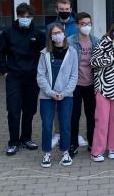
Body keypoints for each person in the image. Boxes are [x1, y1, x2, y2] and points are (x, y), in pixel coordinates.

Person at [0, 3, 46, 156]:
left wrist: (39, 73)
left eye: (28, 16)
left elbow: (43, 55)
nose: (25, 19)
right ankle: (13, 142)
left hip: (32, 78)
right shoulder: (7, 33)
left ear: (32, 17)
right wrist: (5, 71)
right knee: (13, 110)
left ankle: (26, 138)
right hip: (14, 77)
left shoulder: (38, 34)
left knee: (30, 110)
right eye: (22, 16)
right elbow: (0, 53)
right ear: (17, 16)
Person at [36, 23, 79, 168]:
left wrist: (65, 92)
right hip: (47, 96)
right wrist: (51, 93)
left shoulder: (72, 52)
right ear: (50, 36)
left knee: (65, 125)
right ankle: (47, 153)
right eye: (54, 33)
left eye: (59, 32)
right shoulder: (44, 53)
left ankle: (65, 152)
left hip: (66, 95)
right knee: (47, 125)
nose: (57, 35)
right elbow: (40, 76)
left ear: (64, 34)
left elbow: (74, 75)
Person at [89, 20, 114, 162]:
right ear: (112, 29)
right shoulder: (103, 42)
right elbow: (93, 62)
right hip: (103, 88)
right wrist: (112, 57)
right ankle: (97, 151)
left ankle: (113, 148)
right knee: (102, 120)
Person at [67, 12, 100, 157]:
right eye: (83, 24)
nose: (86, 27)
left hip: (91, 84)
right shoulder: (69, 42)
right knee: (74, 115)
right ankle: (72, 144)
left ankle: (92, 142)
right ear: (77, 25)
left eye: (89, 24)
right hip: (75, 85)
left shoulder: (96, 41)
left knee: (91, 115)